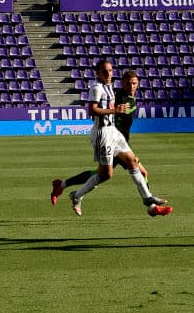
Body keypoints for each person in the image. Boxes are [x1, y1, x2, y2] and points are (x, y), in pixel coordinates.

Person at [59, 59, 172, 218]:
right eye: (104, 71)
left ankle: (149, 202)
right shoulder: (104, 91)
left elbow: (109, 109)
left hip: (116, 135)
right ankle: (76, 194)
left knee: (128, 166)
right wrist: (112, 114)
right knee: (106, 174)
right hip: (106, 136)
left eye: (110, 71)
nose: (130, 86)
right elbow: (94, 110)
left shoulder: (112, 90)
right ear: (98, 73)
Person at [51, 69, 147, 204]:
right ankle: (151, 205)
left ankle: (63, 186)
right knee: (139, 173)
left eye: (134, 84)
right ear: (122, 84)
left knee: (100, 174)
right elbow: (102, 107)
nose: (131, 86)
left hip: (121, 142)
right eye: (128, 84)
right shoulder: (118, 97)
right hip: (113, 141)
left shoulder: (129, 97)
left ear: (138, 84)